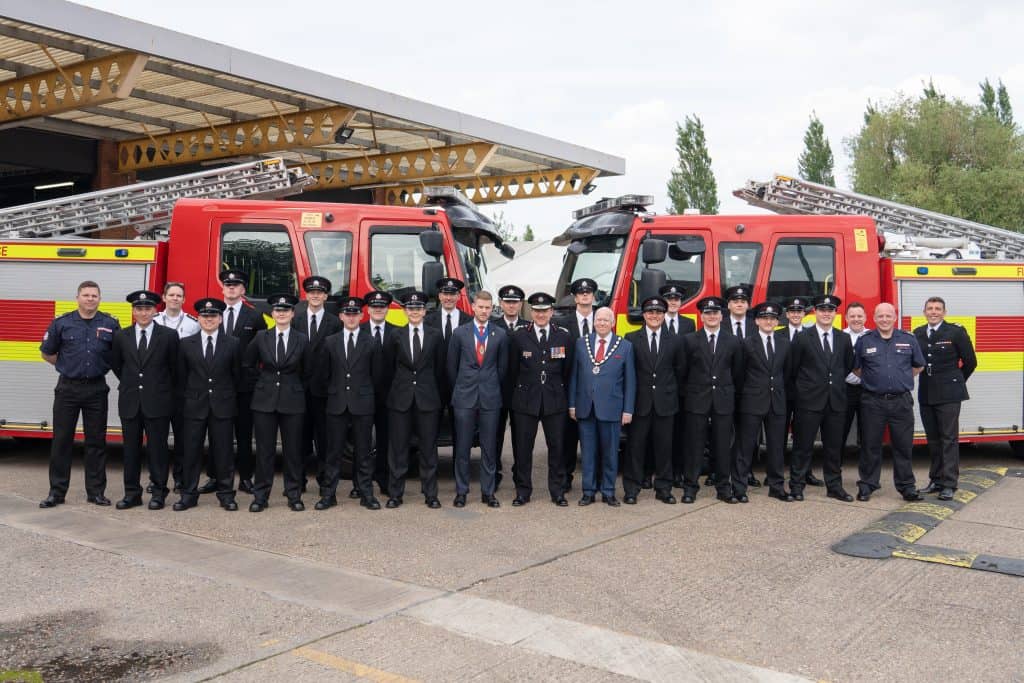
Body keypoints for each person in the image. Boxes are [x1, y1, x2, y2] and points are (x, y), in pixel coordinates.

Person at [39, 280, 121, 508]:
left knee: (96, 442)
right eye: (86, 295)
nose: (90, 299)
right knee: (62, 441)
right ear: (77, 298)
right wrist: (67, 366)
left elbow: (117, 354)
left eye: (94, 295)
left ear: (99, 299)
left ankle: (96, 492)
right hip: (68, 389)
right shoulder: (62, 323)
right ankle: (57, 492)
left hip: (96, 389)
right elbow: (47, 353)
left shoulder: (110, 324)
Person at [110, 290, 179, 510]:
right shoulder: (121, 336)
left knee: (158, 451)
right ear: (133, 311)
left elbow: (175, 369)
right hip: (130, 401)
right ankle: (132, 494)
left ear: (155, 310)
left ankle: (158, 493)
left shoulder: (168, 336)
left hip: (158, 402)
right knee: (130, 451)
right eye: (139, 309)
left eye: (147, 308)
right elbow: (117, 366)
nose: (143, 313)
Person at [853, 302, 926, 502]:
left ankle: (907, 487)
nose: (884, 319)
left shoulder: (908, 339)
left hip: (901, 401)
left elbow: (918, 366)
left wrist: (901, 380)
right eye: (880, 316)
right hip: (872, 402)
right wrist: (876, 381)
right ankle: (867, 485)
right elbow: (857, 368)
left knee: (903, 446)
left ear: (895, 318)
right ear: (874, 318)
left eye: (888, 316)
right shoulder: (864, 340)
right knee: (870, 445)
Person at [173, 298, 241, 511]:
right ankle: (188, 495)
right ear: (199, 319)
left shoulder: (233, 343)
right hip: (194, 406)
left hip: (222, 406)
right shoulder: (185, 344)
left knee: (224, 452)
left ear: (220, 319)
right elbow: (181, 376)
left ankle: (226, 494)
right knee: (191, 452)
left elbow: (237, 375)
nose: (209, 319)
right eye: (204, 316)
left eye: (213, 316)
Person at [244, 294, 310, 512]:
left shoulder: (302, 339)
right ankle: (260, 496)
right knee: (264, 451)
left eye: (286, 310)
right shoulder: (261, 337)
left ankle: (294, 494)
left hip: (293, 400)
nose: (281, 314)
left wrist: (295, 386)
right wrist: (262, 383)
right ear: (272, 314)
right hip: (264, 401)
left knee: (293, 451)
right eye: (278, 310)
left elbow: (309, 369)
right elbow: (248, 364)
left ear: (292, 314)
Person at [507, 292, 573, 506]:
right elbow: (512, 370)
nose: (541, 315)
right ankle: (522, 491)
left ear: (551, 312)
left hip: (555, 400)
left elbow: (568, 370)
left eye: (545, 311)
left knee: (557, 447)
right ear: (531, 312)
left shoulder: (563, 336)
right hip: (526, 400)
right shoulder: (519, 336)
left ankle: (558, 491)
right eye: (536, 311)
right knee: (523, 448)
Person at [199, 269, 260, 496]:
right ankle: (214, 477)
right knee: (216, 434)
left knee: (244, 434)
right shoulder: (212, 314)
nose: (231, 288)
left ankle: (245, 478)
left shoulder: (254, 316)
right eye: (227, 285)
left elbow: (261, 349)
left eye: (236, 285)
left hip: (244, 386)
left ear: (243, 289)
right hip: (217, 385)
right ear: (222, 288)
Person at [788, 294, 855, 502]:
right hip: (808, 402)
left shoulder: (843, 338)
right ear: (815, 312)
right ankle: (797, 486)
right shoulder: (802, 337)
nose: (826, 313)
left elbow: (847, 366)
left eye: (830, 310)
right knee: (802, 446)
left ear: (835, 313)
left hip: (835, 402)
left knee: (834, 448)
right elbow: (793, 369)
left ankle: (834, 486)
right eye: (822, 310)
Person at [383, 291, 446, 509]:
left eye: (418, 308)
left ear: (425, 311)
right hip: (400, 400)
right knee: (398, 449)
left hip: (427, 400)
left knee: (428, 449)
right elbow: (388, 368)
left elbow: (440, 369)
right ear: (405, 311)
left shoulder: (435, 335)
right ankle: (395, 493)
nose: (415, 312)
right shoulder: (395, 335)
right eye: (411, 308)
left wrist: (435, 395)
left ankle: (431, 494)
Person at [679, 296, 743, 504]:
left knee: (723, 447)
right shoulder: (689, 340)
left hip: (723, 401)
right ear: (701, 316)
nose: (712, 316)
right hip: (697, 401)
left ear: (722, 316)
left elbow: (737, 372)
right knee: (694, 447)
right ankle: (690, 488)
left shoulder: (733, 341)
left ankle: (723, 488)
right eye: (708, 313)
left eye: (715, 313)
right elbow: (683, 372)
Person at [321, 296, 383, 511]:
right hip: (337, 404)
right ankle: (328, 495)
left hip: (362, 404)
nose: (351, 317)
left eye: (355, 314)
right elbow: (324, 375)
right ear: (340, 316)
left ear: (361, 316)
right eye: (347, 314)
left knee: (364, 453)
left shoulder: (371, 342)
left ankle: (366, 494)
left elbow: (377, 376)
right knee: (333, 452)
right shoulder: (330, 342)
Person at [568, 306, 635, 507]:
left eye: (606, 320)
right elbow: (574, 376)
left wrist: (628, 409)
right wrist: (572, 404)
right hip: (585, 407)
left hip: (612, 409)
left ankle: (608, 491)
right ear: (594, 321)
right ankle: (588, 492)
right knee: (588, 453)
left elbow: (630, 381)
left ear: (613, 323)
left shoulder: (625, 346)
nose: (602, 323)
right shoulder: (581, 343)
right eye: (599, 319)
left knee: (610, 454)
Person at [448, 290, 509, 508]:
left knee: (489, 447)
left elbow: (502, 368)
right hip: (464, 397)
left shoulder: (500, 334)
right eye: (480, 307)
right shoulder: (459, 333)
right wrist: (462, 388)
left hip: (490, 398)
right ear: (473, 307)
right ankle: (461, 491)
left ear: (492, 309)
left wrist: (489, 386)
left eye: (487, 307)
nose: (484, 311)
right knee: (462, 447)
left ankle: (488, 492)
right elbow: (451, 367)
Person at [914, 297, 978, 500]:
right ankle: (936, 480)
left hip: (949, 394)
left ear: (944, 312)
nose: (933, 312)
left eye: (937, 309)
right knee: (933, 440)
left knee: (948, 439)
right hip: (926, 393)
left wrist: (955, 381)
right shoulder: (918, 333)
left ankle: (949, 483)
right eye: (930, 308)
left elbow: (970, 361)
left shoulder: (956, 332)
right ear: (924, 312)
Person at [623, 296, 683, 504]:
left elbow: (680, 370)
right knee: (635, 449)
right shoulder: (631, 338)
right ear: (644, 315)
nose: (654, 316)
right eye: (650, 312)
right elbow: (628, 373)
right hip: (640, 404)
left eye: (658, 312)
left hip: (665, 404)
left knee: (664, 449)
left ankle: (664, 489)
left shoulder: (675, 340)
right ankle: (632, 489)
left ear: (664, 315)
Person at [736, 302, 792, 502]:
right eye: (764, 318)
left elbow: (787, 373)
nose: (769, 321)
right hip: (752, 401)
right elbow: (739, 373)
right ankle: (739, 487)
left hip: (776, 401)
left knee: (776, 447)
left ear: (777, 322)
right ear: (757, 321)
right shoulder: (746, 343)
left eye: (772, 318)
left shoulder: (785, 343)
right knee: (746, 447)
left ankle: (776, 487)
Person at [292, 275, 342, 496]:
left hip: (324, 391)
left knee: (325, 440)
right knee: (299, 439)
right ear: (306, 295)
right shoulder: (295, 320)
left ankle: (324, 481)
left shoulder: (335, 322)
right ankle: (298, 481)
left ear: (325, 296)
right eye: (311, 292)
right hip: (299, 390)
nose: (315, 295)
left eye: (319, 292)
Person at [153, 281, 200, 495]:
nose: (174, 298)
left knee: (182, 438)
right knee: (158, 438)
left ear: (184, 299)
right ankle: (157, 480)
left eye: (179, 295)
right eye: (171, 295)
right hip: (159, 388)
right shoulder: (153, 321)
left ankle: (180, 478)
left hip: (183, 389)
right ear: (163, 297)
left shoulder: (193, 324)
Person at [553, 277, 598, 495]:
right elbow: (557, 356)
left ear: (593, 296)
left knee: (595, 440)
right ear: (575, 297)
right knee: (568, 439)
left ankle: (595, 480)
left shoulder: (604, 319)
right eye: (581, 293)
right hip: (570, 388)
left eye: (588, 293)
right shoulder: (562, 323)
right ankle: (565, 478)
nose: (585, 295)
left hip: (597, 391)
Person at [780, 296, 825, 488]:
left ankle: (806, 472)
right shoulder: (778, 334)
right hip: (783, 391)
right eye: (792, 311)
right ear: (787, 314)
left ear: (804, 314)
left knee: (804, 435)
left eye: (799, 311)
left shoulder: (811, 335)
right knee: (779, 434)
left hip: (806, 393)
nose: (796, 314)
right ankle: (777, 471)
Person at [361, 290, 399, 494]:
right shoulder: (358, 330)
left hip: (388, 397)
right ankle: (361, 482)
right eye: (374, 306)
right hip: (362, 395)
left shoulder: (397, 332)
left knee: (385, 440)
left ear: (387, 309)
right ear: (368, 309)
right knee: (362, 441)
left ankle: (384, 479)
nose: (378, 309)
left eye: (382, 306)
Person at [492, 284, 529, 489]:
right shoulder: (492, 326)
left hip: (522, 391)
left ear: (521, 304)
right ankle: (494, 474)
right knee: (495, 435)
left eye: (515, 302)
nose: (511, 305)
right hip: (498, 391)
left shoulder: (529, 326)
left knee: (521, 437)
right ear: (500, 303)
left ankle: (519, 476)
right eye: (507, 302)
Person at [659, 283, 695, 489]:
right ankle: (652, 471)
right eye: (669, 299)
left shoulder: (689, 324)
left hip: (680, 388)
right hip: (660, 388)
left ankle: (678, 472)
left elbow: (689, 357)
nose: (673, 302)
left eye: (676, 299)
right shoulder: (655, 319)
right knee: (658, 434)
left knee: (680, 433)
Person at [841, 302, 869, 451]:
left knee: (868, 433)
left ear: (865, 317)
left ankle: (867, 466)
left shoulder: (873, 336)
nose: (856, 319)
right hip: (846, 390)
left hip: (868, 390)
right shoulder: (839, 337)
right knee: (840, 431)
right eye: (852, 316)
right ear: (846, 318)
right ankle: (836, 465)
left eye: (859, 316)